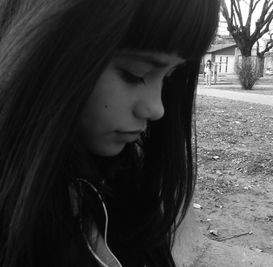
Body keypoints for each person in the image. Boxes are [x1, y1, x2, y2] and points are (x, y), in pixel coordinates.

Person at [0, 0, 219, 266]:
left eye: (170, 76)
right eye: (134, 74)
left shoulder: (133, 181)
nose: (156, 108)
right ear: (48, 53)